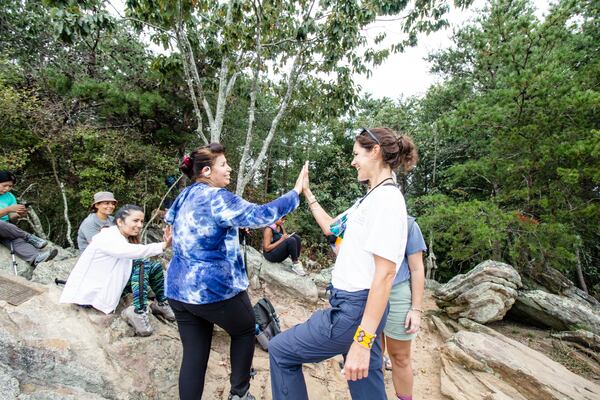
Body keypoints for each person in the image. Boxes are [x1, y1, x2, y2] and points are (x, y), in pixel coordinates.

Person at [269, 127, 418, 400]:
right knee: (366, 387)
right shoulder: (371, 198)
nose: (352, 161)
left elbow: (385, 275)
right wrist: (307, 192)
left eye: (356, 154)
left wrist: (361, 341)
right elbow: (331, 228)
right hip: (359, 311)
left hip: (354, 312)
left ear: (375, 152)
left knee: (281, 351)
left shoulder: (387, 201)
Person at [165, 143, 307, 400]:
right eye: (224, 164)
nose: (229, 169)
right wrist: (297, 191)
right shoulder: (217, 197)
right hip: (214, 289)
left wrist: (229, 229)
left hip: (178, 289)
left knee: (195, 356)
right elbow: (262, 214)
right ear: (207, 171)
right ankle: (239, 394)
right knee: (244, 330)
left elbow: (174, 229)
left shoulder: (184, 195)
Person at [60, 204, 174, 336]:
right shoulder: (107, 237)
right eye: (135, 221)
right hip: (91, 297)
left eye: (141, 221)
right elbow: (132, 252)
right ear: (120, 221)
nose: (140, 225)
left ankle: (161, 303)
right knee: (142, 263)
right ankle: (138, 311)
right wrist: (164, 245)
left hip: (112, 284)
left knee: (155, 267)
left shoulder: (122, 237)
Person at [382, 216, 426, 400]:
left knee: (400, 357)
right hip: (366, 292)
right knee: (371, 354)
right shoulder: (360, 216)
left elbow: (417, 268)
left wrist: (416, 309)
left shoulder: (408, 225)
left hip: (397, 293)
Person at [0, 170, 57, 266]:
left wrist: (18, 214)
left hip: (5, 229)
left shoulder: (10, 197)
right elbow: (8, 211)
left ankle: (36, 258)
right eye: (4, 185)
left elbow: (11, 218)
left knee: (16, 240)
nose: (7, 189)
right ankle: (28, 237)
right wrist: (8, 209)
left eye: (10, 186)